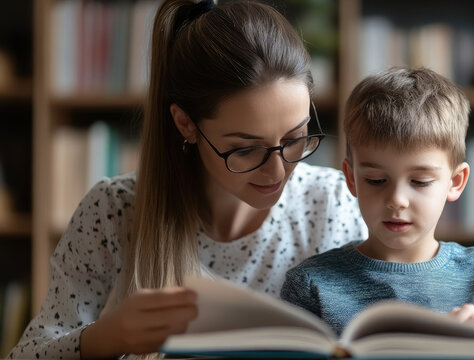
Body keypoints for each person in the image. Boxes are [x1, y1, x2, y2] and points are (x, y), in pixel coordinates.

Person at [9, 1, 367, 359]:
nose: (277, 171)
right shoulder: (114, 211)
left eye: (294, 138)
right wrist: (109, 336)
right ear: (185, 124)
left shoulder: (332, 202)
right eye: (245, 149)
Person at [280, 66, 474, 352]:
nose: (397, 200)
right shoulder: (311, 283)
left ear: (455, 182)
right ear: (351, 179)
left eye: (420, 181)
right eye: (376, 180)